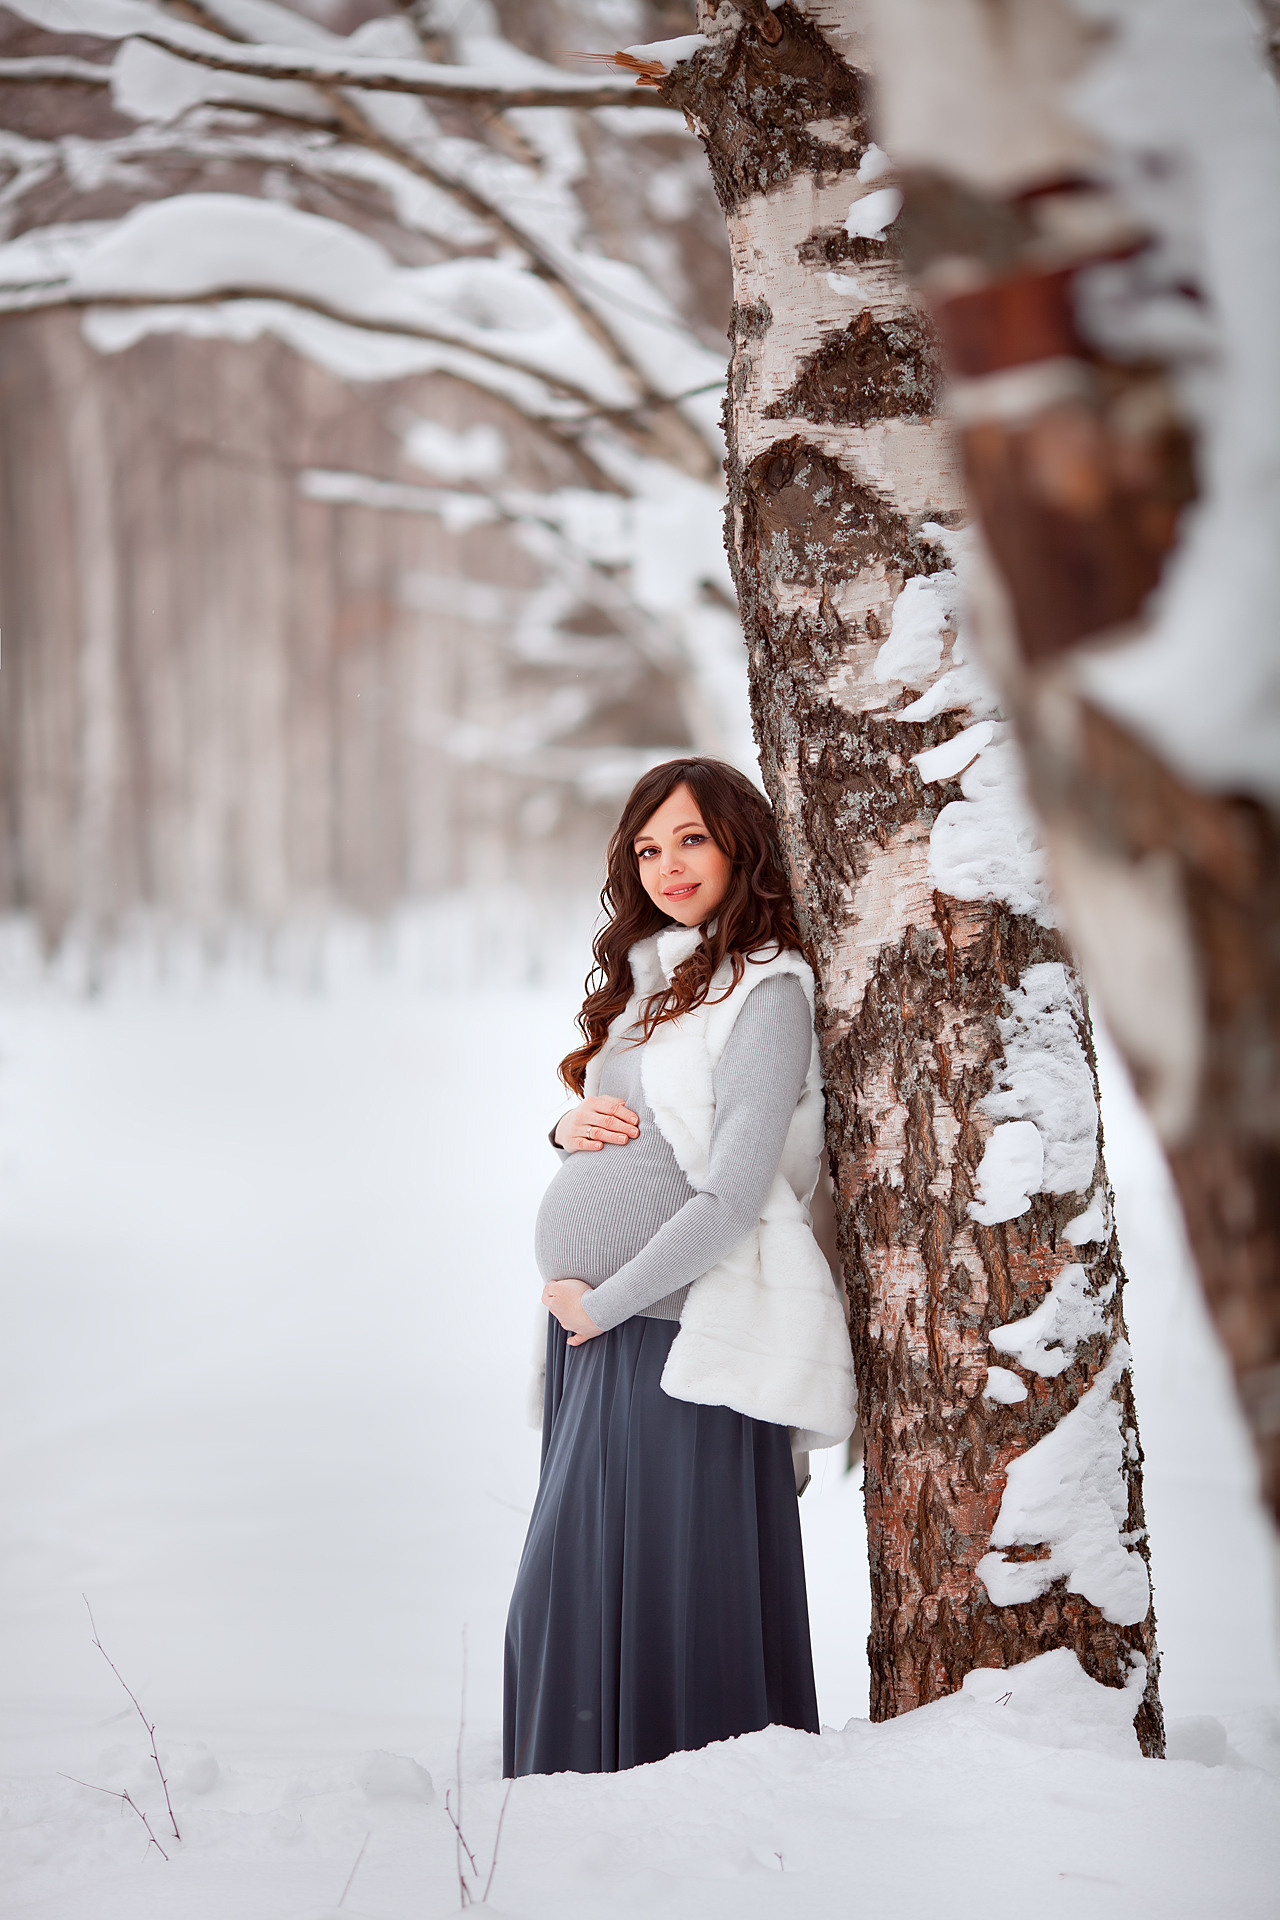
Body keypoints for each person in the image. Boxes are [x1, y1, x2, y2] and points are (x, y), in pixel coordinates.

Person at [502, 757, 857, 1778]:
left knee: (649, 1595)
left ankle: (688, 1829)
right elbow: (630, 1130)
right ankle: (573, 1828)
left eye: (690, 838)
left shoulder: (768, 992)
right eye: (647, 849)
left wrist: (603, 1304)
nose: (667, 865)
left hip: (672, 1336)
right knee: (570, 1600)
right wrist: (563, 1126)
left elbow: (733, 1190)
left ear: (740, 843)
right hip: (598, 1339)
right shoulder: (656, 983)